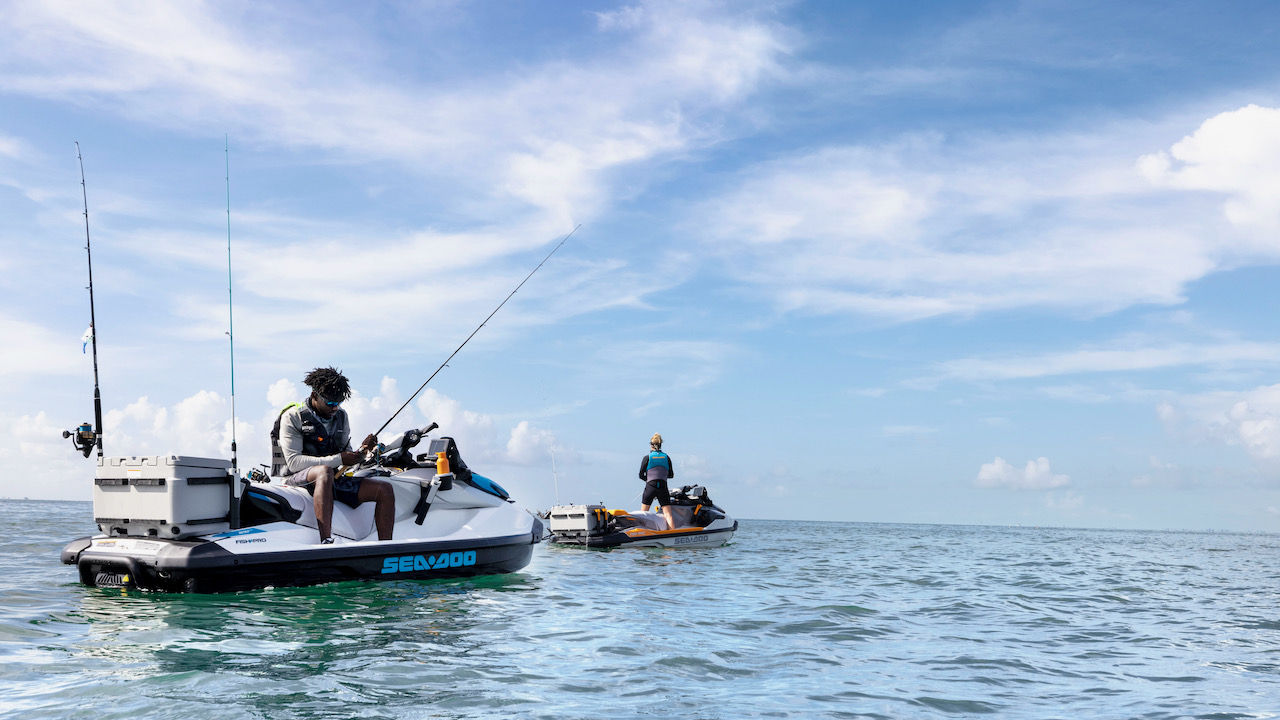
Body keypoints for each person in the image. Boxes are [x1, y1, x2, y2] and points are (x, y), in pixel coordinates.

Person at [278, 367, 395, 543]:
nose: (335, 408)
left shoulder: (341, 416)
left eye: (338, 403)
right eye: (330, 404)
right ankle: (326, 540)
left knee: (384, 489)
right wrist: (339, 458)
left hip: (332, 477)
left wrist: (363, 451)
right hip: (297, 478)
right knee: (324, 471)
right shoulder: (293, 416)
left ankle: (386, 548)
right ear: (315, 396)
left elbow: (348, 457)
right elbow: (294, 463)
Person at [638, 433, 678, 531]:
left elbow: (640, 475)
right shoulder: (666, 457)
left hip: (650, 487)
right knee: (668, 514)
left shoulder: (647, 458)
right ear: (660, 445)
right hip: (663, 487)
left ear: (651, 445)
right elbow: (671, 475)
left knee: (643, 513)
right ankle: (673, 535)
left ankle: (641, 535)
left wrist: (649, 481)